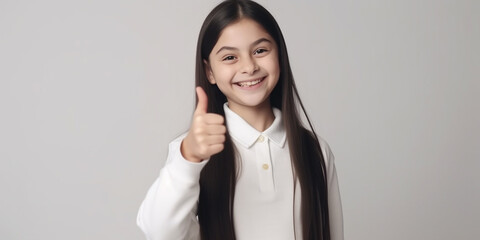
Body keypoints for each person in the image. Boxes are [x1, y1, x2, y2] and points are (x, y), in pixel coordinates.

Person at [137, 0, 343, 239]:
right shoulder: (190, 152)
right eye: (229, 58)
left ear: (280, 55)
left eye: (260, 51)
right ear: (209, 72)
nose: (249, 67)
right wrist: (189, 158)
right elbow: (158, 232)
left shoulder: (315, 150)